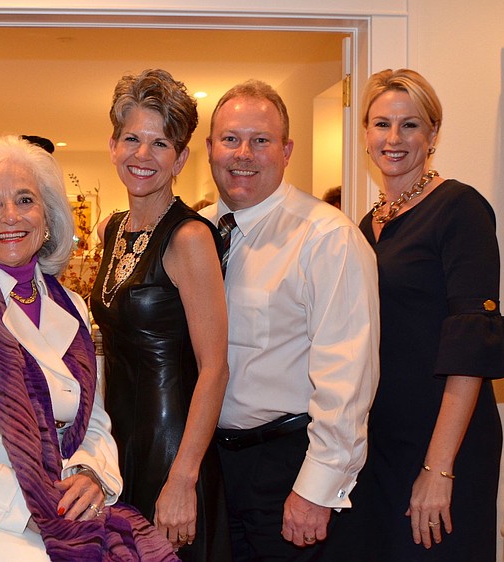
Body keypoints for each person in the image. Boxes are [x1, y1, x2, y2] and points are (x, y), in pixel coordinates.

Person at [0, 135, 178, 562]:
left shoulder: (71, 304)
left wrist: (90, 475)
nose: (10, 216)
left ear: (47, 217)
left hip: (62, 492)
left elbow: (93, 422)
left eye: (25, 200)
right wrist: (37, 507)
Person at [339, 68, 504, 561]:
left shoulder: (460, 210)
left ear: (433, 133)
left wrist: (439, 468)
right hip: (382, 443)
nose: (393, 139)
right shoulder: (367, 224)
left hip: (443, 442)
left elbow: (471, 347)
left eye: (410, 125)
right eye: (381, 124)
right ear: (366, 134)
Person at [199, 79, 380, 561]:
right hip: (212, 468)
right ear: (209, 148)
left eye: (261, 140)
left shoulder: (326, 238)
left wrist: (316, 489)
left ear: (287, 150)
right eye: (230, 138)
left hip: (286, 467)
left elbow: (348, 376)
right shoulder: (197, 231)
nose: (243, 153)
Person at [90, 68, 231, 561]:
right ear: (113, 145)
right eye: (131, 138)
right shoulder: (112, 230)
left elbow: (214, 368)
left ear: (181, 157)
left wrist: (183, 478)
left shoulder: (189, 238)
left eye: (160, 143)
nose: (142, 155)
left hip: (172, 451)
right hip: (120, 443)